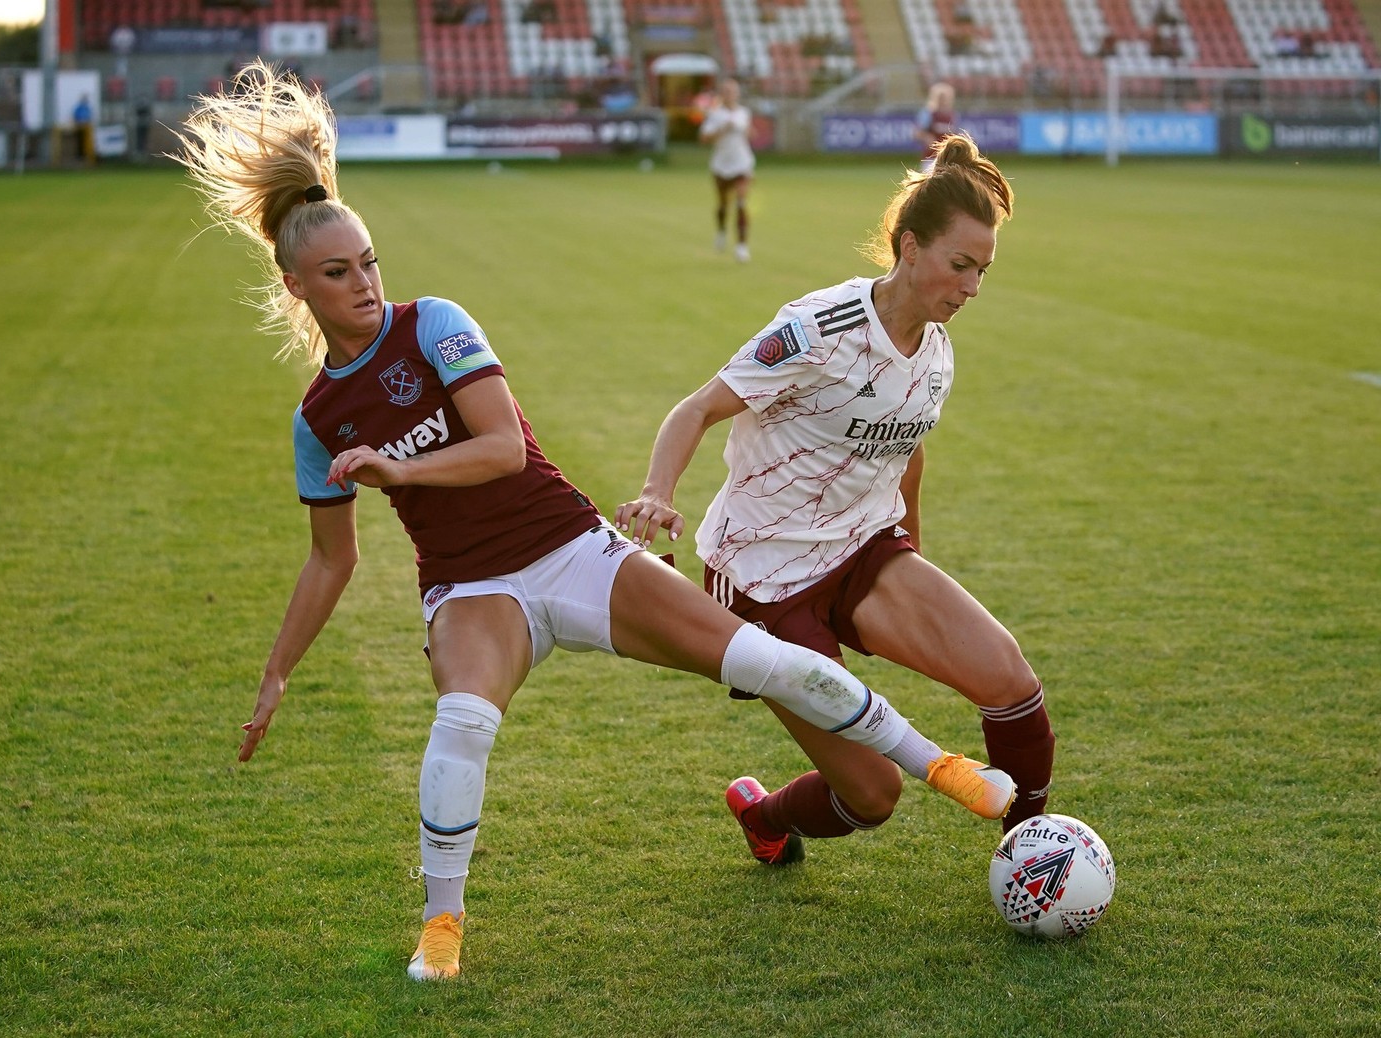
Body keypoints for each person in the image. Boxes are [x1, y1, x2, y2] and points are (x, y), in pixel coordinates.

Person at [173, 65, 1016, 983]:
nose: (365, 284)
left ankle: (939, 767)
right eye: (338, 273)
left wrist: (399, 467)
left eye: (370, 261)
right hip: (472, 590)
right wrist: (276, 674)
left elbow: (499, 448)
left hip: (573, 551)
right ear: (297, 287)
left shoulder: (437, 325)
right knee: (460, 723)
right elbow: (330, 561)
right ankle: (442, 927)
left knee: (757, 657)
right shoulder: (317, 417)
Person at [615, 134, 1055, 871]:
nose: (972, 286)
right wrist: (657, 492)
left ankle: (1032, 854)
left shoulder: (938, 351)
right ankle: (763, 813)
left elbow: (906, 450)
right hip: (764, 575)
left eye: (983, 269)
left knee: (1009, 682)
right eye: (960, 264)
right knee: (873, 795)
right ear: (910, 249)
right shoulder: (818, 328)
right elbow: (695, 408)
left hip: (865, 552)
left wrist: (910, 551)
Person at [699, 77, 755, 263]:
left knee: (741, 202)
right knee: (723, 203)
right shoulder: (715, 114)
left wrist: (746, 130)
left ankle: (741, 245)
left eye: (733, 91)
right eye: (726, 92)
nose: (730, 95)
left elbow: (751, 134)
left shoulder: (743, 113)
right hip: (722, 164)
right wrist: (723, 129)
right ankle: (722, 231)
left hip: (742, 163)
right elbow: (704, 138)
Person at [913, 81, 956, 173]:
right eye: (941, 97)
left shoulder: (952, 115)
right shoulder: (928, 114)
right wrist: (926, 137)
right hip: (931, 158)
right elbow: (917, 133)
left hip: (947, 159)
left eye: (945, 98)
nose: (943, 101)